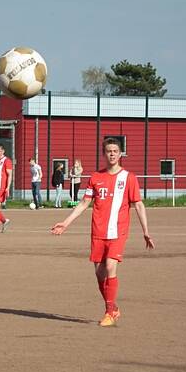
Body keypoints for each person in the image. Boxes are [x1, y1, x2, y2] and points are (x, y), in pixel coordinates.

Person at [51, 138, 154, 327]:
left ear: (120, 154)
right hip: (98, 231)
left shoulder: (128, 177)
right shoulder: (95, 177)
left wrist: (145, 231)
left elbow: (138, 204)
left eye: (115, 151)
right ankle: (113, 307)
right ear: (104, 154)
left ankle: (108, 313)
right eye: (109, 151)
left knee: (110, 266)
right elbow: (84, 203)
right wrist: (65, 223)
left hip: (118, 232)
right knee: (99, 273)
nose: (112, 154)